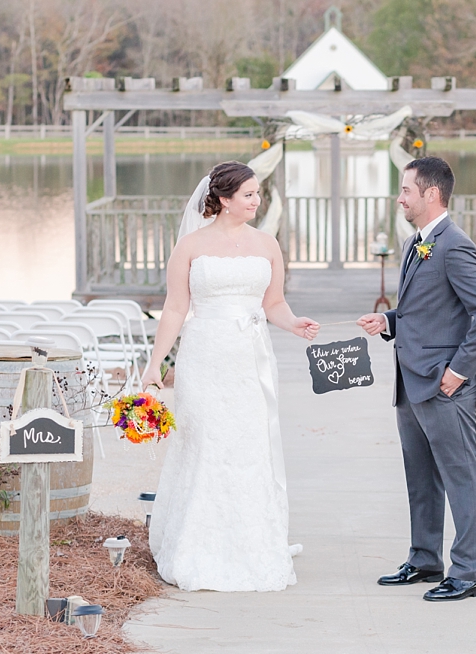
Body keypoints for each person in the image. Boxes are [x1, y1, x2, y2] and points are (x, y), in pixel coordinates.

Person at [141, 161, 320, 592]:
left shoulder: (267, 244)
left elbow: (272, 302)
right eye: (249, 195)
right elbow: (175, 309)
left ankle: (251, 543)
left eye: (258, 194)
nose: (257, 201)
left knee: (248, 445)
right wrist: (154, 367)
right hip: (205, 356)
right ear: (224, 199)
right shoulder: (190, 245)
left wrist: (293, 323)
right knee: (204, 444)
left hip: (249, 358)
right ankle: (196, 545)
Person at [357, 157, 476, 602]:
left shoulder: (454, 245)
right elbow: (426, 312)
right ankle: (424, 559)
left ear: (431, 195)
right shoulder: (415, 244)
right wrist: (388, 321)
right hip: (410, 383)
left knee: (461, 476)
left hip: (445, 387)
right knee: (420, 477)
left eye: (406, 191)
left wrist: (458, 371)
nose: (399, 199)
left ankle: (467, 572)